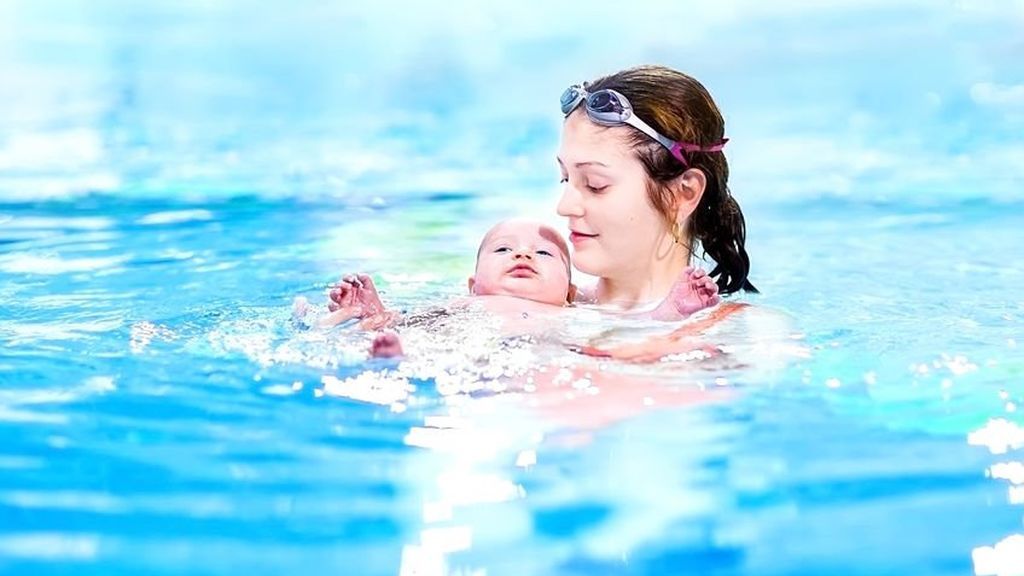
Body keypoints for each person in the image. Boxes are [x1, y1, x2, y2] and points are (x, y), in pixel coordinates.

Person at [553, 65, 758, 358]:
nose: (564, 207)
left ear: (683, 193)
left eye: (596, 185)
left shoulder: (744, 337)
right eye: (565, 178)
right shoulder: (531, 299)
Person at [303, 218, 721, 357]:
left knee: (612, 350)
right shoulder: (460, 306)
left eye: (543, 254)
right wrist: (373, 313)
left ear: (571, 291)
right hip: (459, 352)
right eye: (503, 249)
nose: (522, 256)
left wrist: (665, 313)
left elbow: (628, 329)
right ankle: (393, 360)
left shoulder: (573, 315)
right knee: (405, 344)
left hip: (550, 355)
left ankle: (670, 313)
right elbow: (409, 322)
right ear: (472, 286)